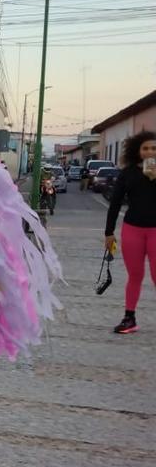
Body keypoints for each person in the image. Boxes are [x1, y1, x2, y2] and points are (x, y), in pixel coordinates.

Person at [105, 130, 156, 334]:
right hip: (132, 230)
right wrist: (109, 233)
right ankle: (129, 318)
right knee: (135, 275)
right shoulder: (127, 173)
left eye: (154, 148)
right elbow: (115, 203)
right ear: (138, 150)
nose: (150, 152)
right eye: (145, 148)